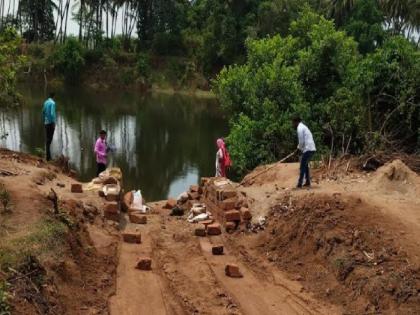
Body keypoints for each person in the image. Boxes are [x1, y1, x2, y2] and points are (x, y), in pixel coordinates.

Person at [293, 117, 316, 188]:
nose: (292, 125)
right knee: (305, 165)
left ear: (296, 122)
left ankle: (300, 183)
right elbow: (302, 141)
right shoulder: (303, 127)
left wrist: (298, 149)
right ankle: (307, 182)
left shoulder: (299, 128)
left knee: (302, 165)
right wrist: (299, 148)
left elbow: (301, 141)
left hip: (308, 148)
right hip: (310, 148)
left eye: (293, 123)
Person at [42, 92, 56, 161]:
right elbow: (52, 114)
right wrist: (53, 123)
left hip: (46, 123)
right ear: (54, 97)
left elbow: (43, 112)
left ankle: (47, 156)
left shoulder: (45, 102)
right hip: (50, 123)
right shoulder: (53, 103)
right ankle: (48, 157)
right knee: (49, 139)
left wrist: (44, 120)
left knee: (47, 139)